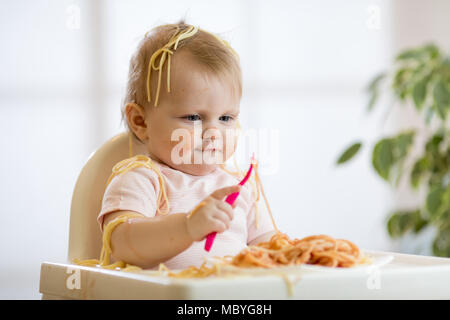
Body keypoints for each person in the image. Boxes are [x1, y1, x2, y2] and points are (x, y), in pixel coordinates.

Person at [98, 20, 276, 270]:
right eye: (193, 118)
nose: (213, 133)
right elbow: (121, 244)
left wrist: (299, 255)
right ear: (140, 121)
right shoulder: (142, 180)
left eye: (226, 118)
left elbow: (271, 250)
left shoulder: (240, 189)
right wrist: (187, 227)